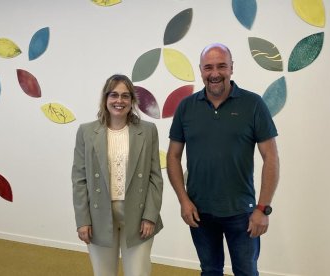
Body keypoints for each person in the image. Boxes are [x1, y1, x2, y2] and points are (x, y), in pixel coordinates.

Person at [167, 43, 280, 276]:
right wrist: (183, 200)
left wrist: (263, 209)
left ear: (231, 68)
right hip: (200, 211)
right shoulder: (186, 107)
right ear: (201, 70)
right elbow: (173, 156)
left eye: (222, 66)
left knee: (247, 272)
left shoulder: (253, 104)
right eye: (208, 67)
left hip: (243, 212)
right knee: (209, 271)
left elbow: (271, 157)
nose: (215, 73)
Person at [72, 74, 163, 276]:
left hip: (138, 214)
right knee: (103, 273)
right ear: (105, 99)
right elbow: (79, 179)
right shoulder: (86, 132)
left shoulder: (148, 131)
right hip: (98, 215)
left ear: (132, 101)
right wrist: (82, 220)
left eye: (125, 96)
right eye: (114, 95)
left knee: (138, 272)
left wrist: (150, 216)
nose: (119, 101)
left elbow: (155, 177)